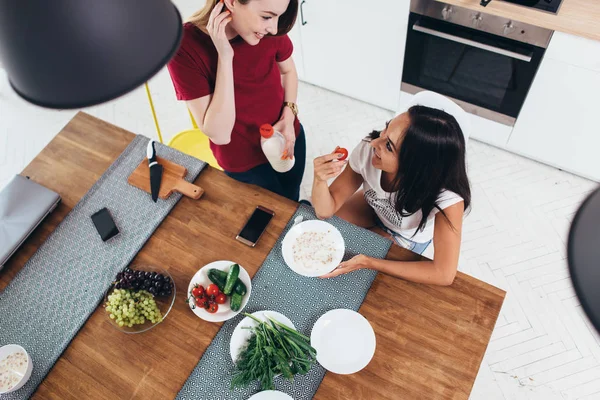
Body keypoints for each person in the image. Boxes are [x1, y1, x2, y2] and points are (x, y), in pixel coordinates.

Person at [311, 101, 471, 286]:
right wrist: (319, 180)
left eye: (388, 146)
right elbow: (324, 210)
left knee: (364, 279)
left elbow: (443, 274)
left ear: (415, 166)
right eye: (385, 130)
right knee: (322, 229)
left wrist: (370, 262)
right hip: (372, 208)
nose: (373, 143)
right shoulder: (369, 150)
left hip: (406, 234)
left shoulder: (447, 200)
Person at [167, 0, 305, 201]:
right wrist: (225, 56)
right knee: (273, 214)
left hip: (288, 137)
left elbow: (288, 70)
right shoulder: (185, 46)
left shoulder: (268, 30)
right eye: (267, 16)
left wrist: (289, 113)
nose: (274, 28)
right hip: (244, 162)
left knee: (292, 197)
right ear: (231, 2)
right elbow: (220, 134)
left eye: (278, 16)